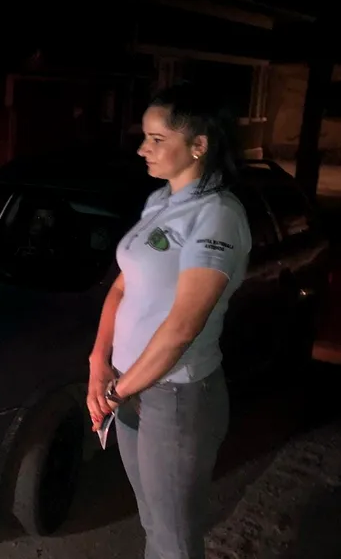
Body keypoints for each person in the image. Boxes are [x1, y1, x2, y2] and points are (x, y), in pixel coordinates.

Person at [87, 82, 252, 559]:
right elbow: (121, 288)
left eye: (157, 139)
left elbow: (181, 328)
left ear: (199, 146)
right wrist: (99, 361)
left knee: (174, 537)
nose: (143, 148)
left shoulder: (217, 215)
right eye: (145, 136)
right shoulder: (160, 202)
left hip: (175, 395)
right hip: (127, 383)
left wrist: (117, 392)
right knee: (152, 521)